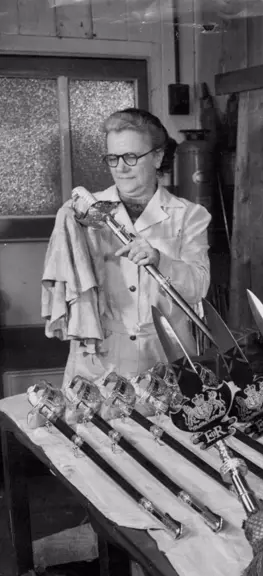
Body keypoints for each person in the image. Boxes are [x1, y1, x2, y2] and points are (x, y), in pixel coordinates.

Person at [42, 108, 211, 385]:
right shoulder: (83, 213)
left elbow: (198, 287)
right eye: (113, 158)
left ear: (157, 157)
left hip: (166, 351)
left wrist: (160, 260)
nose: (120, 167)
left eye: (131, 157)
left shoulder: (190, 215)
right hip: (102, 354)